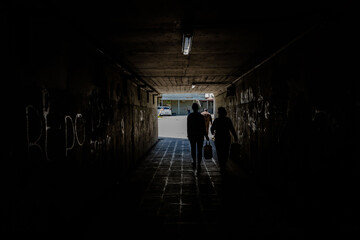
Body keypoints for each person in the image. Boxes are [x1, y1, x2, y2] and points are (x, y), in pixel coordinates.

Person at [210, 107, 238, 174]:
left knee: (219, 152)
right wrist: (235, 136)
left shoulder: (217, 120)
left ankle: (221, 166)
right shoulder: (228, 120)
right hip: (226, 137)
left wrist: (213, 133)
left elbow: (212, 129)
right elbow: (232, 129)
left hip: (219, 138)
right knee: (225, 152)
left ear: (219, 113)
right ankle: (224, 165)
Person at [187, 102, 209, 170]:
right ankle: (199, 163)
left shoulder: (190, 116)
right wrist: (206, 135)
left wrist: (189, 135)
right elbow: (203, 127)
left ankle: (194, 161)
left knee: (193, 149)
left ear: (192, 108)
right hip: (200, 135)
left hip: (192, 135)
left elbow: (188, 127)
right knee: (199, 150)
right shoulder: (200, 116)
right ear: (198, 108)